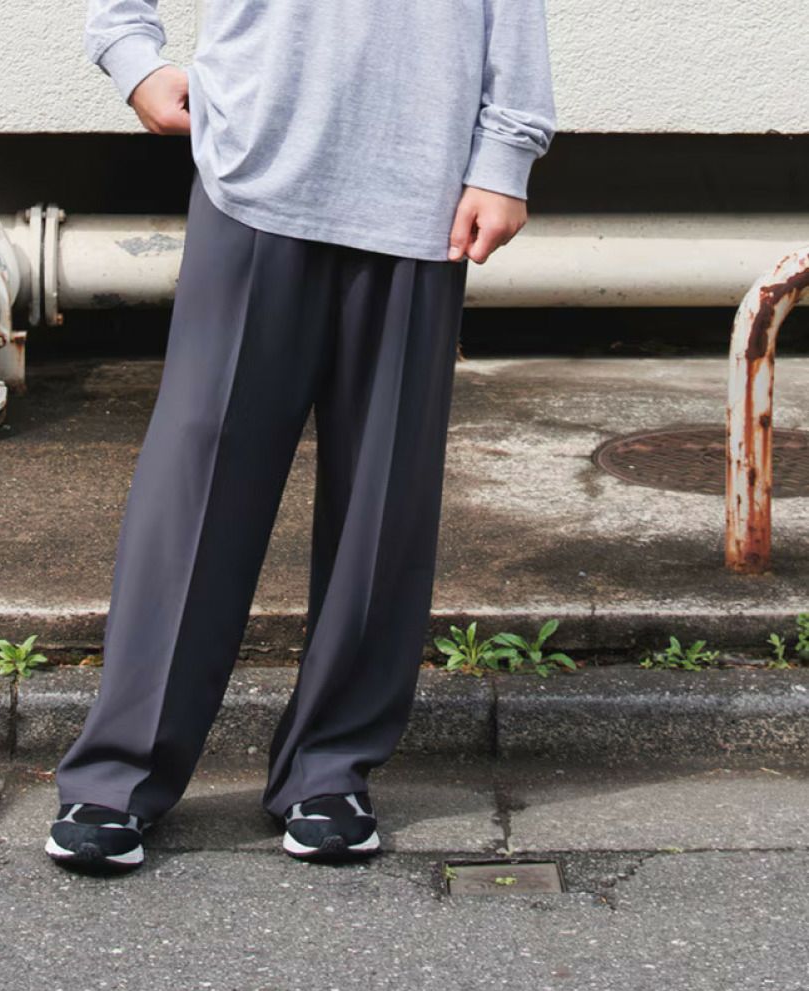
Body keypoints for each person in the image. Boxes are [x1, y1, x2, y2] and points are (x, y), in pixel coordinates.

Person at [46, 0, 557, 871]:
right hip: (256, 167)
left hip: (422, 188)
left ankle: (330, 769)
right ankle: (119, 773)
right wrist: (132, 55)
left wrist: (507, 153)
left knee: (382, 502)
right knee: (198, 481)